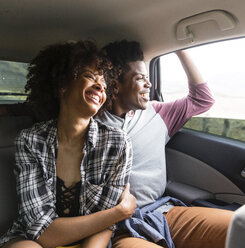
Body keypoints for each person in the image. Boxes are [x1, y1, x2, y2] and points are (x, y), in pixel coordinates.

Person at [0, 40, 136, 248]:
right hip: (34, 240)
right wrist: (119, 212)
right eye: (89, 76)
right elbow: (41, 231)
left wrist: (109, 220)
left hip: (92, 240)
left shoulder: (118, 143)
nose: (99, 87)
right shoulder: (30, 141)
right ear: (62, 85)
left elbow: (106, 225)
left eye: (104, 84)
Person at [96, 40, 233, 248]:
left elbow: (203, 100)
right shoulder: (90, 124)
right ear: (116, 83)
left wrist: (179, 47)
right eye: (140, 79)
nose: (148, 85)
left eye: (148, 78)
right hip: (118, 225)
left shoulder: (158, 113)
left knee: (243, 229)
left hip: (161, 212)